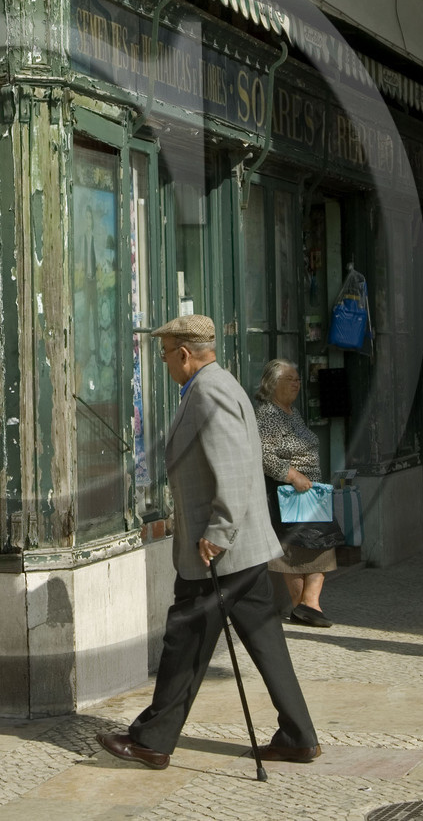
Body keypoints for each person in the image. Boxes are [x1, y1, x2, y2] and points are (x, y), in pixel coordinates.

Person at [97, 315, 320, 770]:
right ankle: (298, 736)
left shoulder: (209, 390)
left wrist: (217, 535)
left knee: (185, 637)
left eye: (164, 356)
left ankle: (153, 741)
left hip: (220, 550)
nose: (164, 364)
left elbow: (236, 467)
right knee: (265, 640)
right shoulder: (218, 384)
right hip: (244, 549)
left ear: (184, 353)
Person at [255, 359, 344, 628]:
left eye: (297, 379)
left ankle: (308, 605)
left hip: (311, 493)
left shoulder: (291, 411)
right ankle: (304, 606)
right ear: (272, 384)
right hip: (288, 492)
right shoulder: (268, 414)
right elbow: (262, 454)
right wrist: (292, 475)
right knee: (294, 551)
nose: (296, 384)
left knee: (323, 543)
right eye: (290, 379)